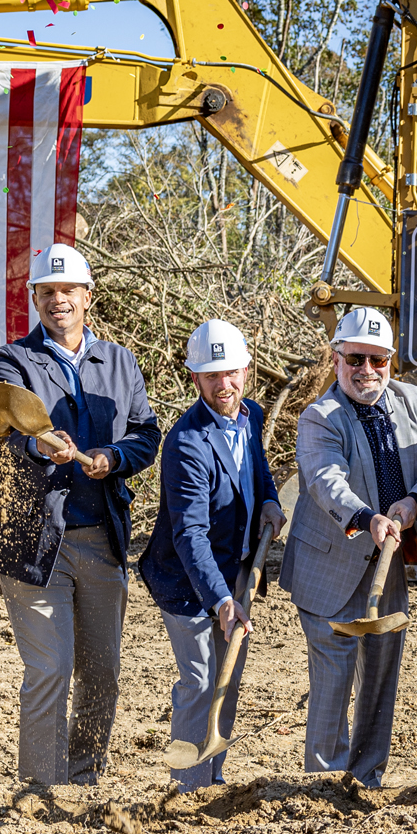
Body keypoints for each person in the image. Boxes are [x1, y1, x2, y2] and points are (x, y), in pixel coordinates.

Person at [0, 242, 162, 786]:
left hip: (102, 537)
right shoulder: (11, 361)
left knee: (102, 672)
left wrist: (114, 457)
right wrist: (39, 448)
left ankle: (82, 781)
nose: (59, 300)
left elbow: (146, 434)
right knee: (50, 669)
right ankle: (41, 789)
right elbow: (1, 429)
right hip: (36, 541)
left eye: (68, 291)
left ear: (88, 295)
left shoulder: (120, 361)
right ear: (34, 298)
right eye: (47, 292)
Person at [282, 306, 417, 788]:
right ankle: (324, 788)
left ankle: (366, 781)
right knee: (332, 686)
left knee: (379, 683)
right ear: (336, 359)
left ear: (391, 361)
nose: (366, 371)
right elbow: (324, 480)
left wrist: (416, 501)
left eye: (378, 360)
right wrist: (366, 518)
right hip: (330, 569)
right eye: (355, 359)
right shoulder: (320, 417)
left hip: (390, 565)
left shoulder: (413, 401)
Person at [138, 320, 284, 789]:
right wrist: (221, 601)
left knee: (229, 674)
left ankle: (213, 778)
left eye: (231, 372)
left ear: (246, 368)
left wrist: (269, 500)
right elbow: (190, 534)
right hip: (186, 580)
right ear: (195, 378)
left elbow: (257, 467)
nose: (224, 385)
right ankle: (190, 789)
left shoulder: (252, 415)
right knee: (201, 680)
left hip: (235, 565)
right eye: (211, 376)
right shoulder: (186, 442)